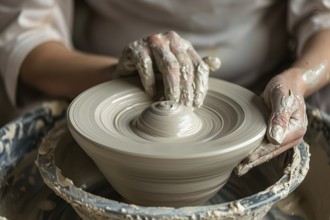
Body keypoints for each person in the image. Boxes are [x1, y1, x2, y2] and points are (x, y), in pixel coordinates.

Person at [0, 0, 329, 172]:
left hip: (258, 97)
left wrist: (297, 80)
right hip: (108, 94)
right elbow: (26, 39)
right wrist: (114, 73)